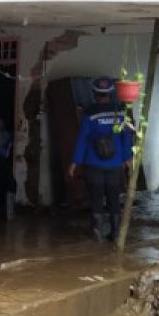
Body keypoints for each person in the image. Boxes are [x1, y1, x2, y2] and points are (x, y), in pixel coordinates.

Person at [68, 76, 134, 241]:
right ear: (110, 94)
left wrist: (74, 163)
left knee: (96, 197)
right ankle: (115, 232)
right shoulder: (120, 114)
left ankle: (97, 231)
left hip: (93, 164)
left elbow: (82, 139)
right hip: (114, 164)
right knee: (113, 197)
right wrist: (127, 160)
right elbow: (127, 139)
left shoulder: (89, 115)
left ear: (95, 94)